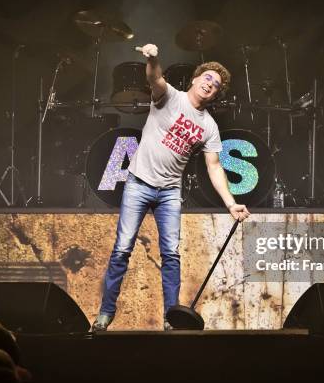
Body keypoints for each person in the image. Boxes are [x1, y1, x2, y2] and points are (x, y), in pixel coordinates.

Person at [93, 43, 250, 331]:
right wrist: (153, 58)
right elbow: (154, 78)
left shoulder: (209, 126)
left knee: (171, 255)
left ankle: (170, 319)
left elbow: (214, 166)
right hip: (138, 184)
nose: (209, 85)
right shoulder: (169, 97)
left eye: (215, 85)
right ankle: (105, 314)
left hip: (169, 193)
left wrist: (230, 202)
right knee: (122, 249)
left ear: (216, 94)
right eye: (207, 78)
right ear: (195, 79)